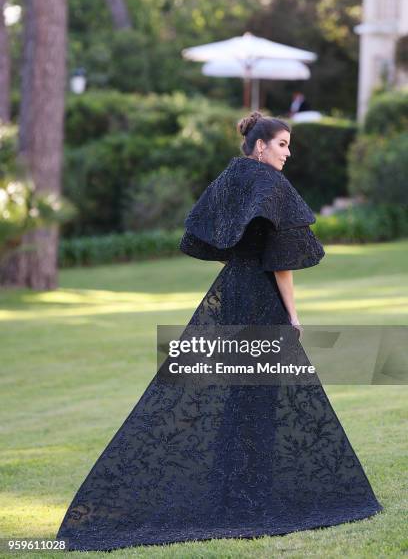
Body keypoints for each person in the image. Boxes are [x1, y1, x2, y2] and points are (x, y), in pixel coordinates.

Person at [55, 111, 383, 552]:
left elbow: (199, 237)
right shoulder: (271, 184)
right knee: (261, 393)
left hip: (228, 293)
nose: (289, 153)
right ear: (261, 145)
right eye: (283, 144)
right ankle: (253, 497)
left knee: (231, 391)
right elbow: (281, 262)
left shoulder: (231, 176)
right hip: (262, 299)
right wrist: (294, 315)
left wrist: (240, 260)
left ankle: (231, 492)